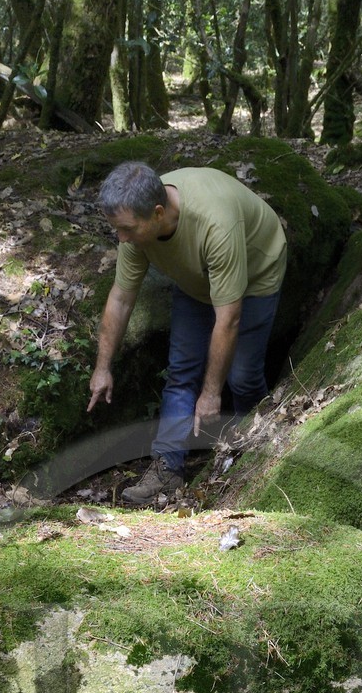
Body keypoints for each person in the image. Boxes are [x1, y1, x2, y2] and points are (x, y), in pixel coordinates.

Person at [86, 161, 286, 505]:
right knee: (181, 371)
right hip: (196, 281)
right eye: (117, 229)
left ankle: (254, 454)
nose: (121, 238)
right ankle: (168, 468)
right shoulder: (136, 225)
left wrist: (211, 393)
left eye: (127, 229)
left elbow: (229, 319)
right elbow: (120, 299)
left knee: (241, 377)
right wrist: (103, 367)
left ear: (158, 213)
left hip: (255, 273)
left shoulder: (215, 224)